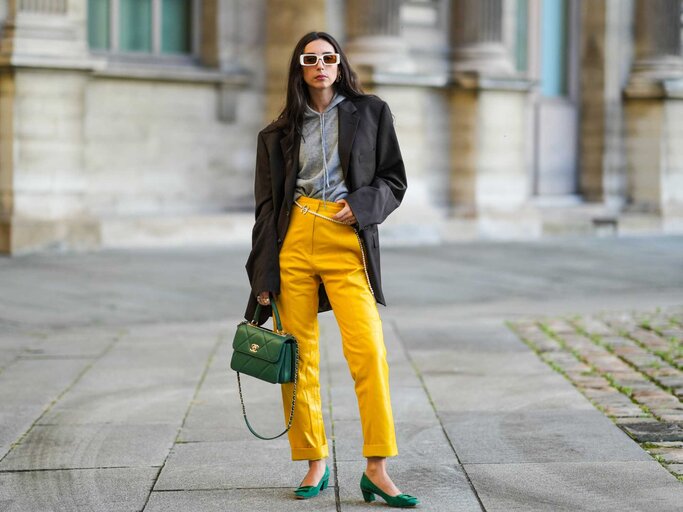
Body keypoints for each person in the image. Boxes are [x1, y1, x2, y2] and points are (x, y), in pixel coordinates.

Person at [244, 31, 418, 508]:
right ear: (299, 69)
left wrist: (361, 205)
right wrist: (262, 277)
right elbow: (265, 210)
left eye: (328, 57)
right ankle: (313, 460)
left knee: (369, 351)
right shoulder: (276, 133)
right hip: (293, 239)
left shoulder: (372, 112)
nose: (320, 65)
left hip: (346, 238)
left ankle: (377, 468)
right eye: (310, 59)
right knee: (297, 357)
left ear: (340, 63)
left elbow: (394, 180)